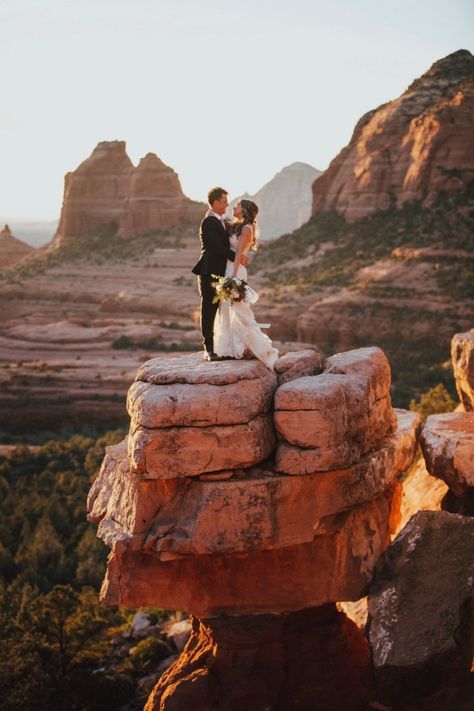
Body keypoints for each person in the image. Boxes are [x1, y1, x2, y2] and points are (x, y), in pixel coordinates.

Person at [214, 199, 279, 369]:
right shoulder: (236, 225)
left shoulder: (248, 228)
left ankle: (258, 347)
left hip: (236, 271)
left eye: (237, 205)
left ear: (244, 210)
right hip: (229, 269)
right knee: (226, 308)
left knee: (240, 310)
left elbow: (239, 255)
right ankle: (230, 347)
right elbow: (221, 225)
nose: (234, 207)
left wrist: (233, 278)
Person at [192, 187, 247, 361]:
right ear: (215, 203)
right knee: (209, 308)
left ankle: (224, 345)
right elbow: (217, 247)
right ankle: (208, 349)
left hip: (222, 273)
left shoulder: (222, 221)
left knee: (222, 309)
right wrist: (238, 257)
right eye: (224, 201)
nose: (226, 205)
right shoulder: (208, 222)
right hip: (209, 271)